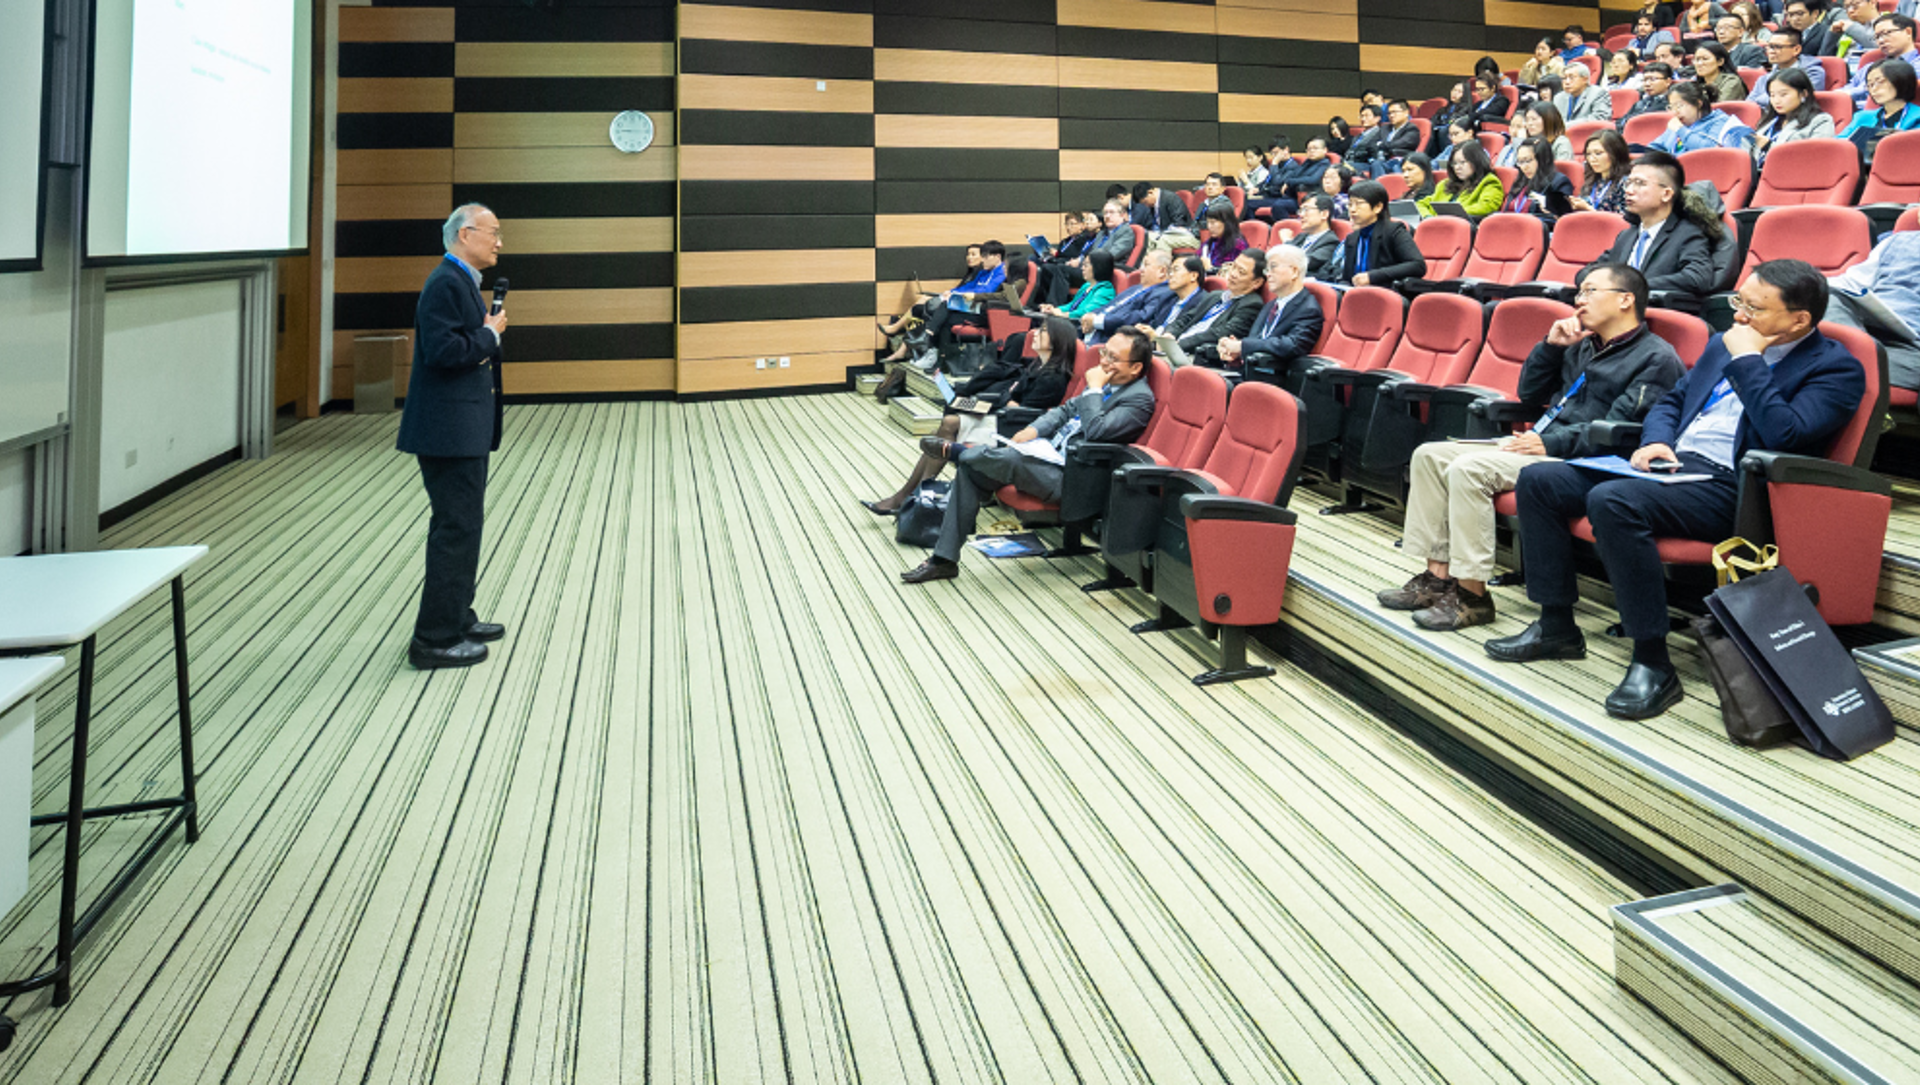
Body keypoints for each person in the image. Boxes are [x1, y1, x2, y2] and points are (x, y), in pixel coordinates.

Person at [1492, 260, 1865, 719]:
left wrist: (1749, 360)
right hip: (1674, 466)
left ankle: (1652, 659)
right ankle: (1556, 625)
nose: (1740, 317)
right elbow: (1672, 401)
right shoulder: (1721, 344)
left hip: (1738, 484)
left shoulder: (1836, 368)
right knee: (1541, 479)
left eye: (1755, 309)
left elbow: (1783, 435)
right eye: (1738, 302)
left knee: (1613, 501)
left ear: (1799, 319)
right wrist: (1655, 440)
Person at [1380, 264, 1684, 631]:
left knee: (1469, 469)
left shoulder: (1656, 358)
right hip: (1542, 444)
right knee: (1429, 456)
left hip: (1587, 459)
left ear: (1625, 300)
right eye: (1579, 292)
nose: (1579, 300)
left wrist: (1547, 443)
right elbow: (1531, 394)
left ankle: (1472, 596)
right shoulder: (1582, 343)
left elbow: (1617, 430)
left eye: (1590, 291)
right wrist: (1550, 347)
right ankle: (1438, 577)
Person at [901, 329, 1156, 583]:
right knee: (972, 470)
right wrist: (1033, 430)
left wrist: (1093, 390)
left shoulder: (1138, 399)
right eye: (1103, 353)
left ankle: (960, 452)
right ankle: (943, 560)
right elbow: (1063, 411)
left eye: (1112, 358)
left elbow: (1097, 432)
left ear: (1135, 368)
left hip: (1074, 479)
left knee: (1006, 459)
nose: (1103, 362)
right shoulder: (1107, 385)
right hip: (1048, 457)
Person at [397, 203, 509, 670]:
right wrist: (490, 335)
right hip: (447, 431)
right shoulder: (445, 282)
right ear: (465, 235)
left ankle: (457, 616)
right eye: (493, 232)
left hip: (461, 428)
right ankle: (434, 639)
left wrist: (484, 334)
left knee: (466, 526)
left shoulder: (460, 280)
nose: (499, 242)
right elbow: (443, 352)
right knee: (455, 530)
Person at [862, 315, 1076, 515]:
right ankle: (909, 497)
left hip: (1012, 431)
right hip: (1003, 418)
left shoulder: (1053, 377)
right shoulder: (1038, 366)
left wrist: (1006, 399)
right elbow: (1007, 397)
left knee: (949, 424)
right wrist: (1004, 399)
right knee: (950, 421)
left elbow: (1021, 412)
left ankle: (910, 499)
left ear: (1057, 340)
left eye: (1044, 330)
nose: (1036, 332)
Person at [1593, 151, 1718, 308]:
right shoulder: (1627, 236)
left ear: (1666, 194)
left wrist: (1633, 285)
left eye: (1640, 183)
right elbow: (1590, 271)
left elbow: (1697, 277)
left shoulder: (1687, 234)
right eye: (1628, 183)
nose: (1629, 190)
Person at [1827, 227, 1920, 388]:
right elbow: (1853, 282)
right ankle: (1854, 356)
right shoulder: (1895, 241)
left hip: (1912, 348)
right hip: (1868, 329)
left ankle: (1840, 360)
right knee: (1827, 297)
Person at [1218, 246, 1325, 376]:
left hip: (1278, 381)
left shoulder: (1308, 309)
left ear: (1294, 272)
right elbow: (1258, 340)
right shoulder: (1270, 305)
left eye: (1273, 267)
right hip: (1250, 373)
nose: (1268, 274)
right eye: (1267, 269)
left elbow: (1292, 345)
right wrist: (1236, 353)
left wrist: (1243, 346)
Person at [1163, 250, 1268, 368]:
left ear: (1257, 282)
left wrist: (1179, 345)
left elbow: (1218, 334)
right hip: (1176, 350)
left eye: (1241, 272)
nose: (1233, 274)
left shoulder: (1252, 304)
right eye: (1234, 267)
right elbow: (1186, 318)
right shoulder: (1215, 295)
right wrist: (1169, 334)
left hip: (1197, 357)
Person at [1337, 180, 1427, 288]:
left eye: (1358, 204)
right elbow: (1347, 277)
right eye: (1350, 204)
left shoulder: (1394, 231)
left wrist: (1372, 276)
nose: (1352, 210)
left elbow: (1417, 265)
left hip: (1387, 294)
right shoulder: (1352, 238)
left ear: (1378, 207)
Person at [1083, 251, 1178, 343]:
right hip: (1093, 331)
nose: (1141, 269)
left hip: (1111, 337)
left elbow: (1140, 318)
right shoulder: (1136, 287)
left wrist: (1098, 321)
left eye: (1146, 264)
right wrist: (1091, 315)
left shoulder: (1165, 293)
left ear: (1162, 271)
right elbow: (1112, 305)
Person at [1751, 66, 1835, 161]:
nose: (1776, 101)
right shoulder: (1769, 121)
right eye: (1772, 95)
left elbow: (1815, 157)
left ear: (1803, 93)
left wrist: (1768, 146)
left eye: (1783, 95)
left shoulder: (1821, 121)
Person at [1651, 80, 1756, 150]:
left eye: (1679, 106)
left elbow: (1708, 150)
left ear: (1698, 103)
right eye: (1671, 107)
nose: (1675, 112)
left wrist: (1681, 130)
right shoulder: (1679, 123)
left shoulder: (1720, 121)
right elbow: (1656, 147)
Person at [1839, 58, 1920, 143]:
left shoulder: (1917, 116)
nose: (1874, 89)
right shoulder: (1862, 117)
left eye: (1880, 82)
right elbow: (1839, 142)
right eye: (1870, 85)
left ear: (1901, 80)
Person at [1845, 14, 1920, 106]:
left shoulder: (1917, 65)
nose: (1881, 41)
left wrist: (1856, 92)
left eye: (1886, 34)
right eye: (1877, 37)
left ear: (1908, 32)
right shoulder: (1869, 66)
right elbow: (1846, 89)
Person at [1420, 142, 1506, 218]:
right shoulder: (1445, 184)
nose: (1457, 167)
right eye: (1454, 163)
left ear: (1476, 161)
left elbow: (1486, 207)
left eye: (1462, 162)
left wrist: (1450, 213)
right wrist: (1428, 216)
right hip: (1435, 226)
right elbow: (1421, 204)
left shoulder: (1489, 182)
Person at [1501, 138, 1576, 219]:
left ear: (1541, 160)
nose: (1524, 167)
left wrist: (1547, 204)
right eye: (1520, 162)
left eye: (1528, 160)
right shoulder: (1520, 182)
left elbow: (1564, 219)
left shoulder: (1559, 182)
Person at [1749, 28, 1827, 101]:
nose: (1770, 51)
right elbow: (1750, 104)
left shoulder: (1813, 73)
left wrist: (1760, 100)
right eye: (1769, 46)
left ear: (1796, 50)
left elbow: (1799, 100)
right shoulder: (1765, 77)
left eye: (1777, 47)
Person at [1278, 194, 1344, 279]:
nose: (1301, 215)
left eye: (1306, 210)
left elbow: (1304, 262)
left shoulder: (1330, 241)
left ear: (1324, 214)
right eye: (1300, 210)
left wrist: (1286, 242)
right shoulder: (1301, 237)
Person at [1570, 129, 1633, 214]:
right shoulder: (1592, 179)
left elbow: (1625, 220)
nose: (1592, 159)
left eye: (1598, 153)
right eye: (1588, 154)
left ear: (1615, 153)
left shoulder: (1627, 183)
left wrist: (1589, 209)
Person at [1044, 249, 1118, 321]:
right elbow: (1072, 305)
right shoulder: (1086, 285)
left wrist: (1064, 315)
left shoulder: (1105, 290)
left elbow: (1088, 313)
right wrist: (1055, 309)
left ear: (1098, 267)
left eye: (1086, 265)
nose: (1082, 268)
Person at [1498, 102, 1575, 164]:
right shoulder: (1531, 142)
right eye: (1527, 120)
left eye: (1534, 119)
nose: (1529, 124)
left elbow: (1561, 172)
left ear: (1548, 120)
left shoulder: (1561, 143)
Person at [1617, 63, 1677, 129]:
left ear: (1667, 82)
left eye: (1653, 79)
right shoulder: (1640, 102)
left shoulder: (1672, 103)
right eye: (1645, 80)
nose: (1647, 84)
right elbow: (1621, 122)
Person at [1428, 82, 1475, 155]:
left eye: (1459, 91)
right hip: (1440, 128)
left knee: (1443, 131)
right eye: (1454, 90)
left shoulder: (1466, 108)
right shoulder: (1446, 108)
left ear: (1465, 95)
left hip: (1449, 129)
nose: (1455, 93)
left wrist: (1446, 122)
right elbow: (1434, 119)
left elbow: (1451, 121)